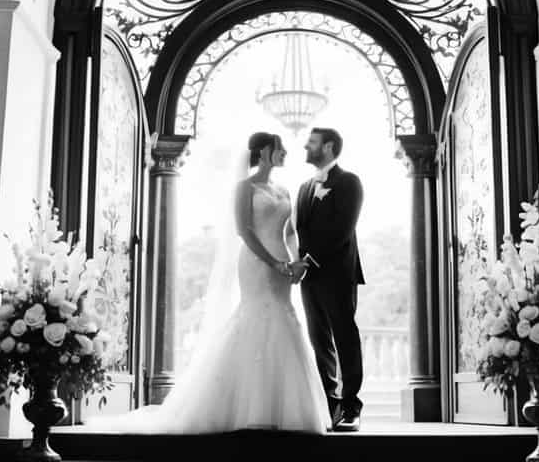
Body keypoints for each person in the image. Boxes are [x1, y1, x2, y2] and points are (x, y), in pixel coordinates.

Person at [84, 131, 330, 433]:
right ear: (265, 152)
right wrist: (275, 263)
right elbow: (244, 231)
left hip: (283, 263)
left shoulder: (283, 189)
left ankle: (282, 408)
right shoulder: (245, 187)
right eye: (280, 148)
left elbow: (290, 231)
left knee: (283, 318)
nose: (285, 153)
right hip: (257, 261)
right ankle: (249, 408)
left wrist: (296, 263)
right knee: (258, 317)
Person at [291, 127, 366, 432]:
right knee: (319, 340)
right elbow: (300, 231)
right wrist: (296, 262)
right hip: (310, 277)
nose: (306, 147)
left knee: (344, 337)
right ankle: (329, 405)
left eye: (312, 143)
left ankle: (351, 406)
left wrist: (307, 261)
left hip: (337, 274)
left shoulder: (349, 182)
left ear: (329, 146)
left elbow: (341, 230)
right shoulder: (304, 187)